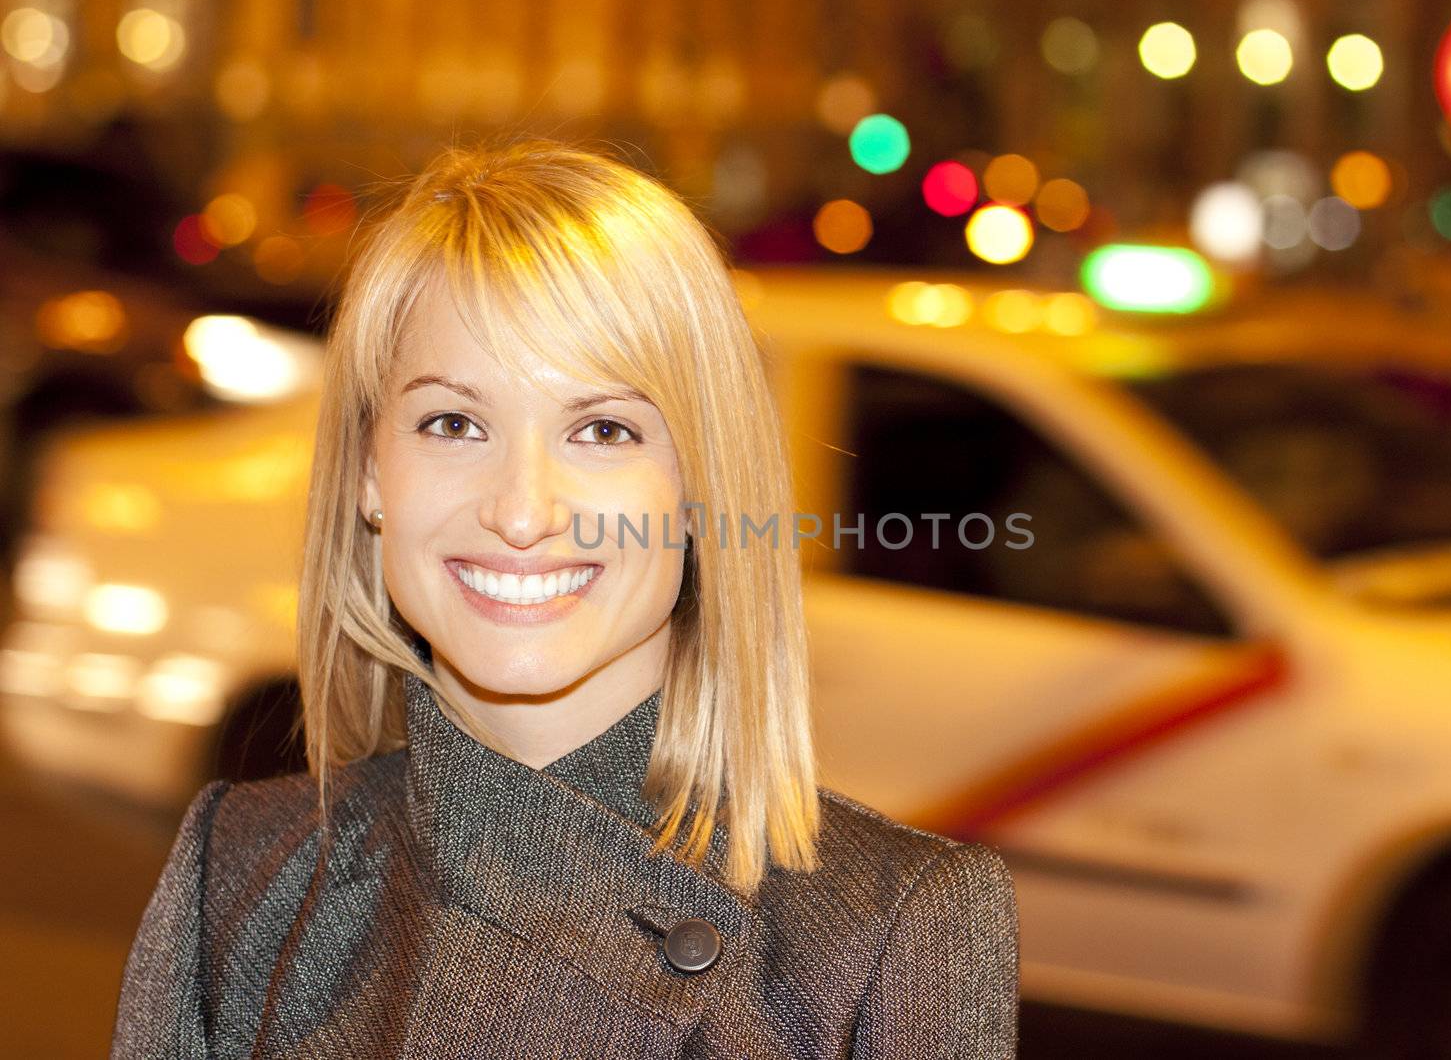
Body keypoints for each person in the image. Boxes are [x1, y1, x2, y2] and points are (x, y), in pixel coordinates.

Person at [110, 138, 1019, 1058]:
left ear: (703, 486)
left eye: (602, 428)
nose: (520, 510)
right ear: (369, 471)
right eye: (454, 423)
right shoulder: (237, 872)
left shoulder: (891, 931)